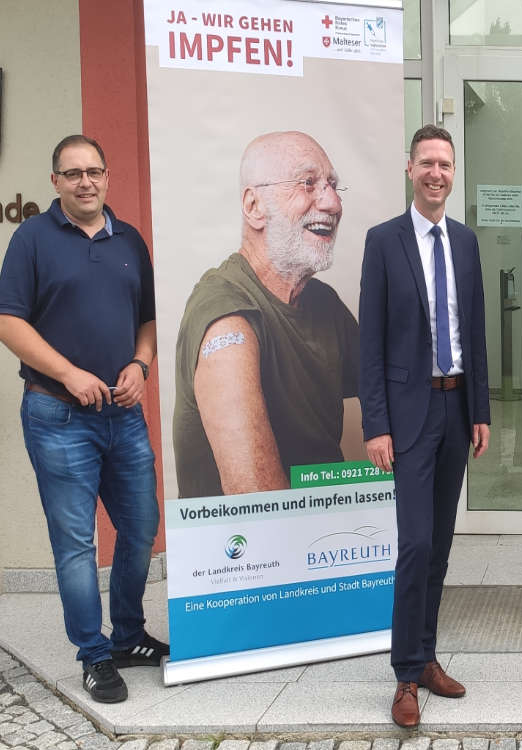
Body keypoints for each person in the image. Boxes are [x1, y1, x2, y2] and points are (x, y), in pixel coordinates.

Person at [0, 135, 168, 704]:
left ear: (108, 176)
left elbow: (147, 319)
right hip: (58, 415)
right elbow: (9, 322)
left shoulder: (130, 240)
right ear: (56, 183)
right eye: (72, 174)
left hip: (123, 415)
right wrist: (69, 373)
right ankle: (94, 655)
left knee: (142, 527)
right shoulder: (32, 239)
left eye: (94, 171)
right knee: (76, 543)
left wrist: (141, 365)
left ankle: (127, 635)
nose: (85, 182)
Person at [359, 124, 491, 728]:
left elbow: (476, 333)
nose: (437, 173)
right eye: (427, 163)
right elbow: (371, 344)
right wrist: (376, 424)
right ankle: (405, 676)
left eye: (446, 164)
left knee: (438, 545)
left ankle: (427, 655)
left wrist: (481, 411)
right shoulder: (383, 242)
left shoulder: (465, 243)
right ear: (409, 169)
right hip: (408, 416)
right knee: (412, 545)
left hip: (455, 408)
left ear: (453, 172)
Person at [173, 131, 360, 497]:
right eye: (308, 184)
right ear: (254, 207)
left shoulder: (323, 303)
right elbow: (258, 501)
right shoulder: (228, 319)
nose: (333, 203)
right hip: (249, 547)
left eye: (333, 185)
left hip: (320, 534)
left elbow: (386, 388)